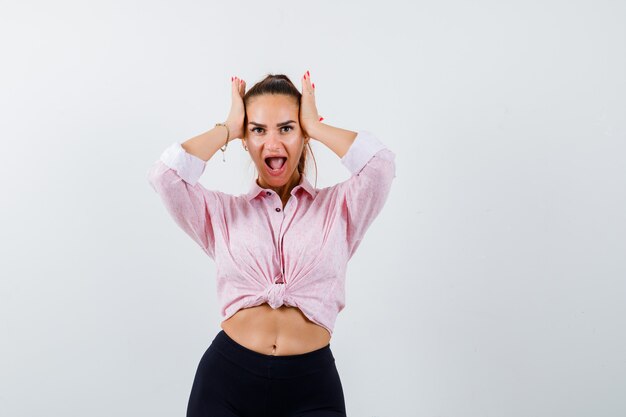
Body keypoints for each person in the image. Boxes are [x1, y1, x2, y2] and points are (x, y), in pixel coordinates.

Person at [147, 71, 396, 417]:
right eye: (258, 130)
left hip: (311, 388)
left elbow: (380, 166)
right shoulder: (222, 213)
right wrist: (228, 128)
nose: (273, 143)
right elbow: (165, 177)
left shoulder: (340, 207)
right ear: (245, 140)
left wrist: (317, 125)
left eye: (287, 128)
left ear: (303, 135)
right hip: (225, 383)